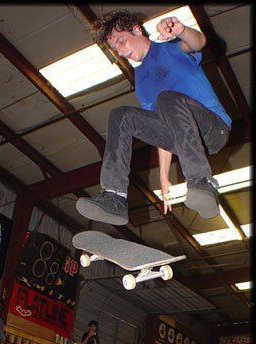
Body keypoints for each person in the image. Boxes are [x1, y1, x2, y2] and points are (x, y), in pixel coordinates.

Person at [76, 10, 232, 224]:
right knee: (121, 115)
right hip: (183, 136)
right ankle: (115, 197)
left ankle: (202, 181)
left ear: (137, 30)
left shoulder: (168, 48)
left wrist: (182, 29)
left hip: (214, 128)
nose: (121, 51)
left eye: (122, 41)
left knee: (166, 98)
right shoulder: (141, 80)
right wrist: (163, 177)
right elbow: (161, 127)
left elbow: (198, 43)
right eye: (116, 49)